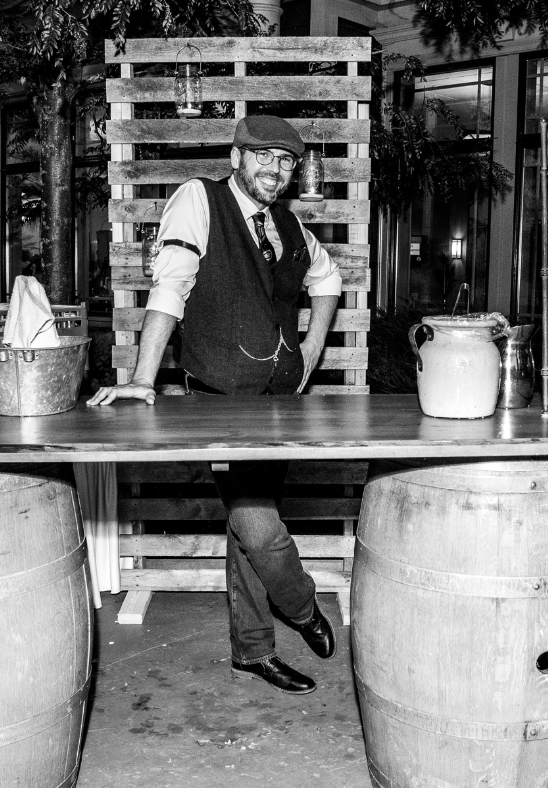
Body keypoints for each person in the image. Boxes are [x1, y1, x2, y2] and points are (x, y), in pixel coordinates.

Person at [89, 115, 342, 695]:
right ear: (237, 155)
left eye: (286, 161)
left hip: (279, 403)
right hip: (220, 402)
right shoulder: (197, 199)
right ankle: (300, 607)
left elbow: (328, 280)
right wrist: (142, 378)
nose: (276, 171)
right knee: (261, 527)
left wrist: (308, 350)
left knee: (247, 529)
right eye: (264, 157)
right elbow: (171, 286)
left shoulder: (287, 224)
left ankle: (252, 651)